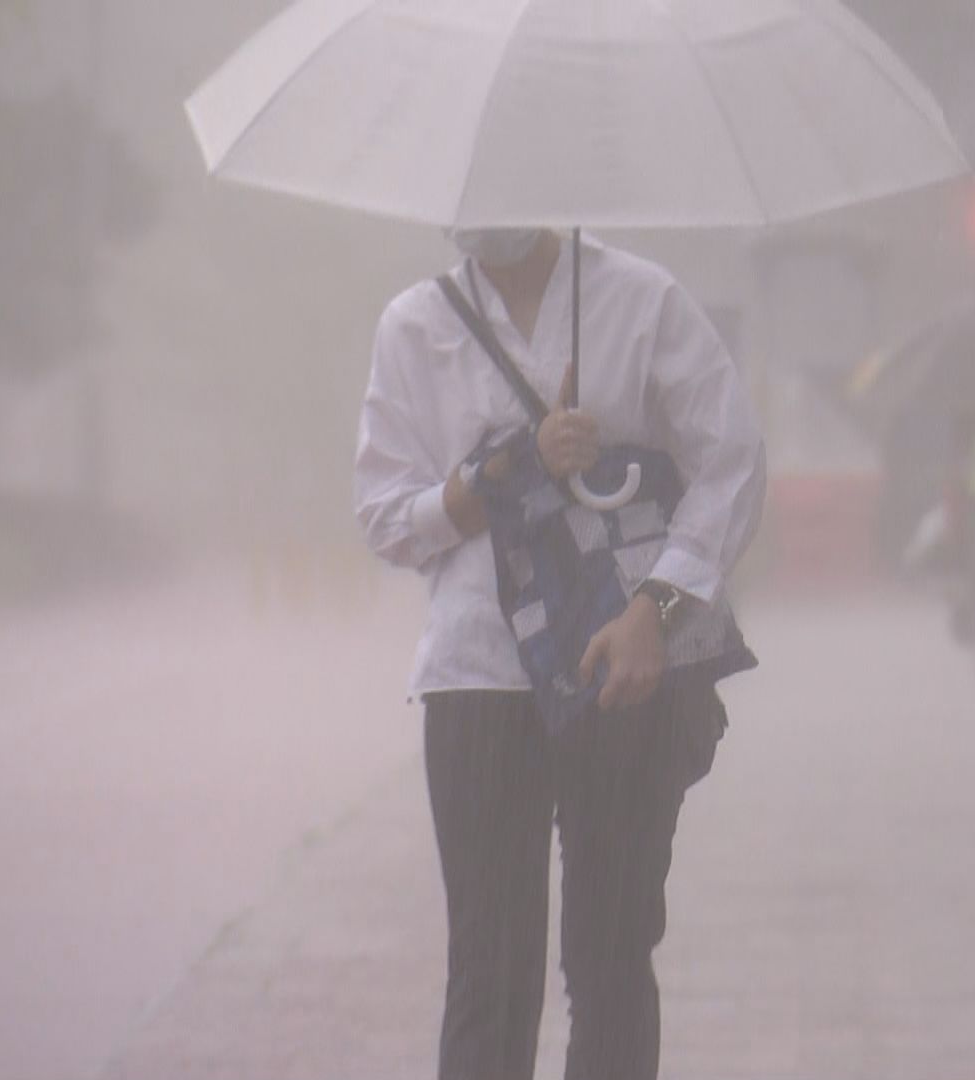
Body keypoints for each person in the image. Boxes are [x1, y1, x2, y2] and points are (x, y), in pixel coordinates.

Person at [354, 226, 766, 1080]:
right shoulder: (415, 325)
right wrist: (508, 469)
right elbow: (388, 519)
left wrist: (659, 606)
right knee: (488, 974)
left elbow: (731, 462)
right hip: (478, 678)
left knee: (611, 964)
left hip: (620, 671)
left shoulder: (643, 300)